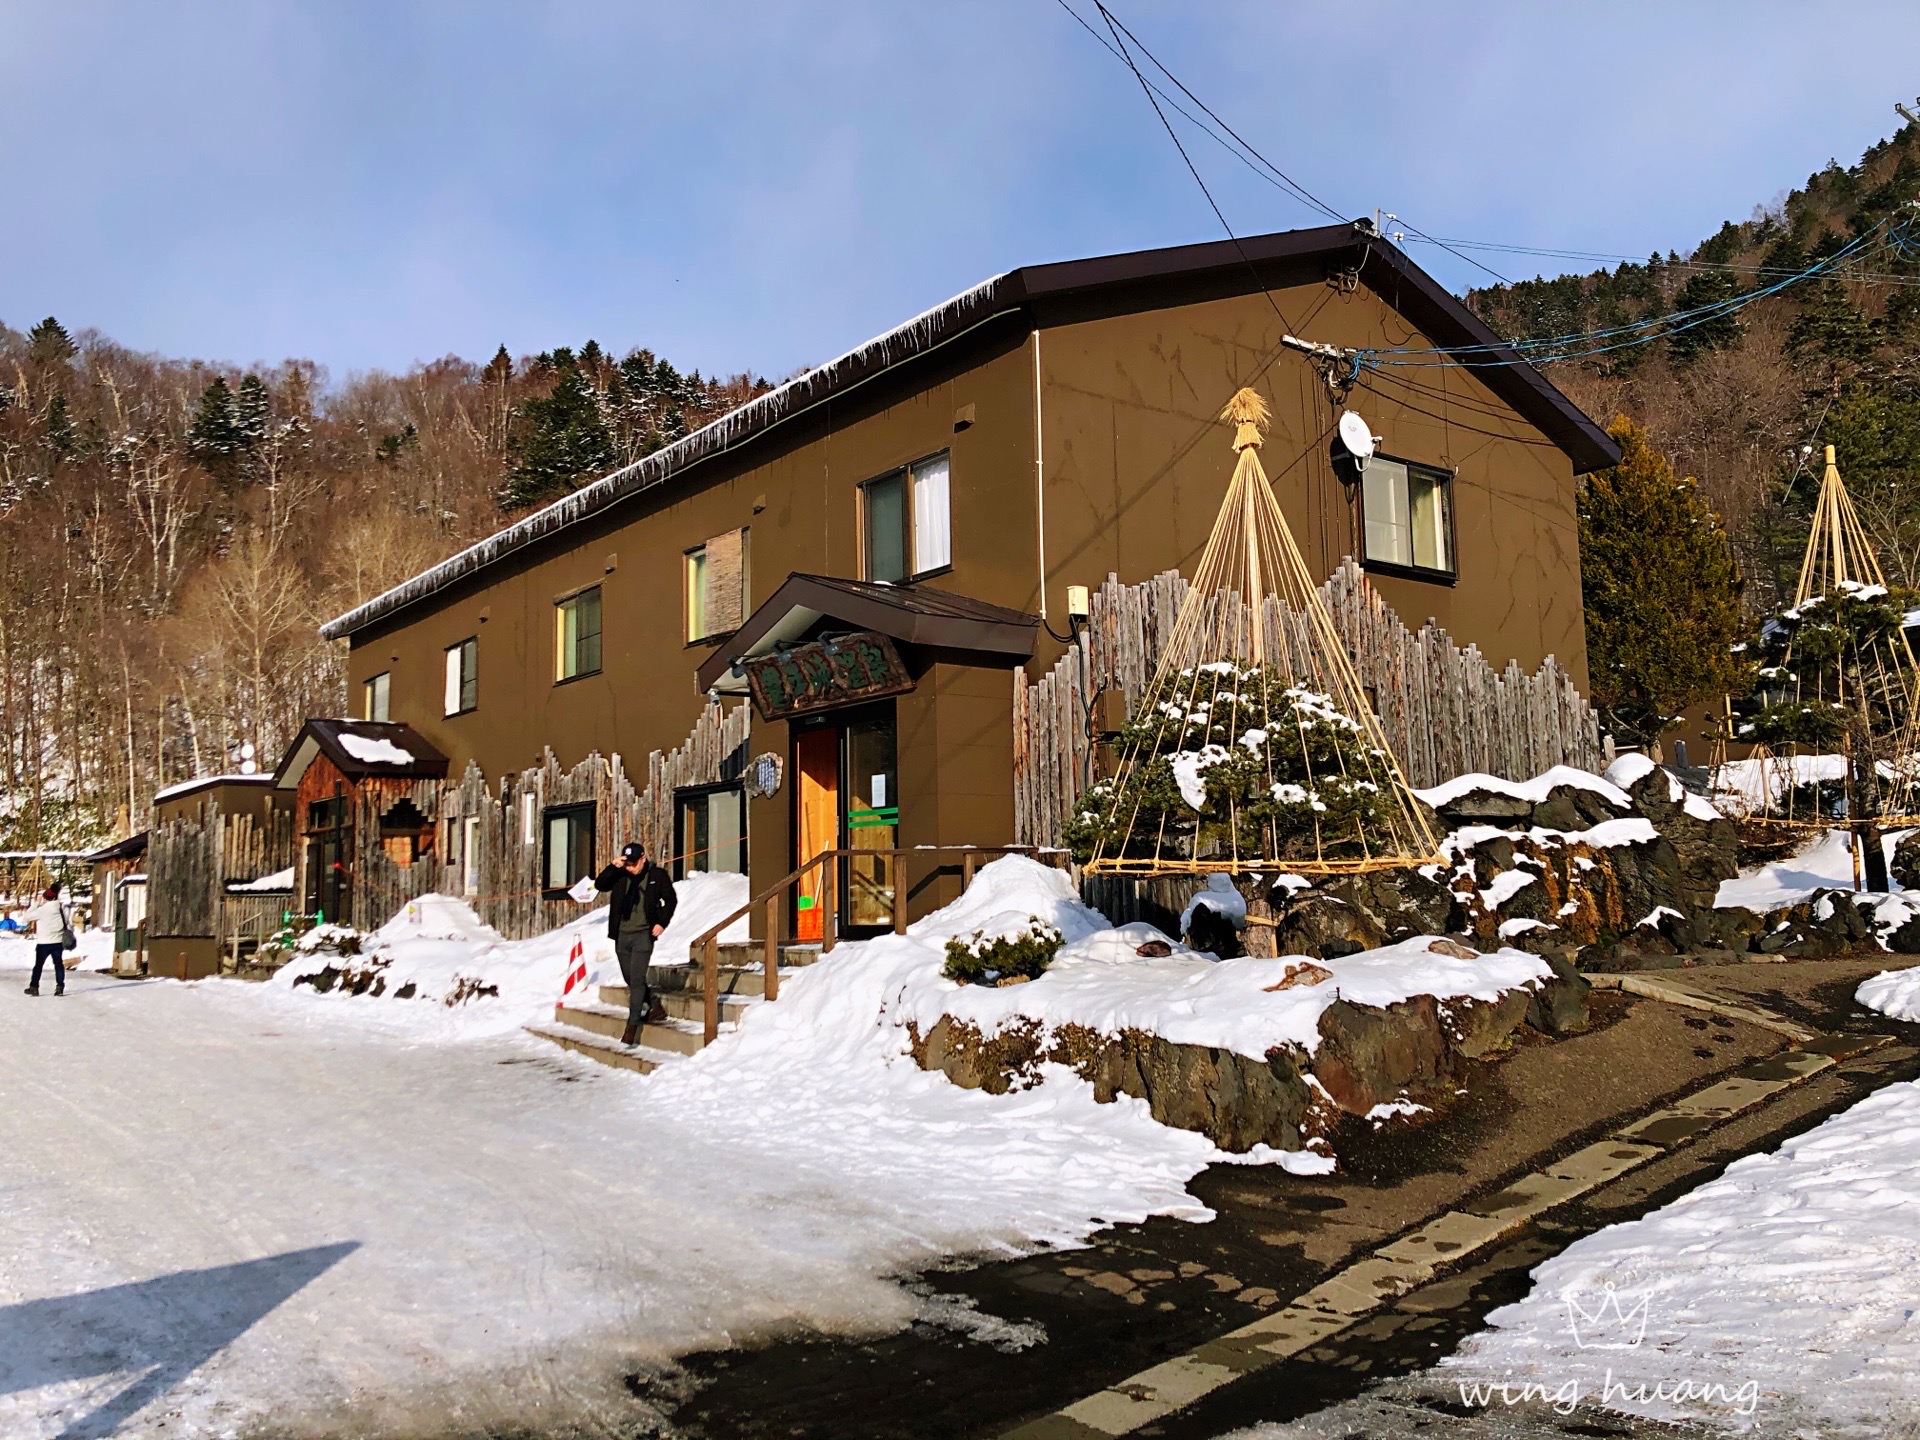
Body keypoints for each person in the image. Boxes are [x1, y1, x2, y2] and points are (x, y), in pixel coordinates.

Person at [593, 841, 676, 1046]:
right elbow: (600, 885)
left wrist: (661, 923)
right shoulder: (619, 875)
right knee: (629, 977)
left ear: (643, 859)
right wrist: (614, 867)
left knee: (637, 978)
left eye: (633, 863)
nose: (630, 867)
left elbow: (670, 900)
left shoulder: (657, 876)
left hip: (643, 934)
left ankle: (632, 1025)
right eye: (627, 863)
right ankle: (655, 1005)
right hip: (622, 934)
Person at [23, 886, 71, 997]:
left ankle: (34, 987)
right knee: (58, 965)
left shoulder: (41, 910)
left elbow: (27, 917)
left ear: (45, 898)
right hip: (58, 941)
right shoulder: (62, 908)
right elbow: (67, 921)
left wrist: (36, 904)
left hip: (43, 943)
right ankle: (60, 987)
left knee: (38, 966)